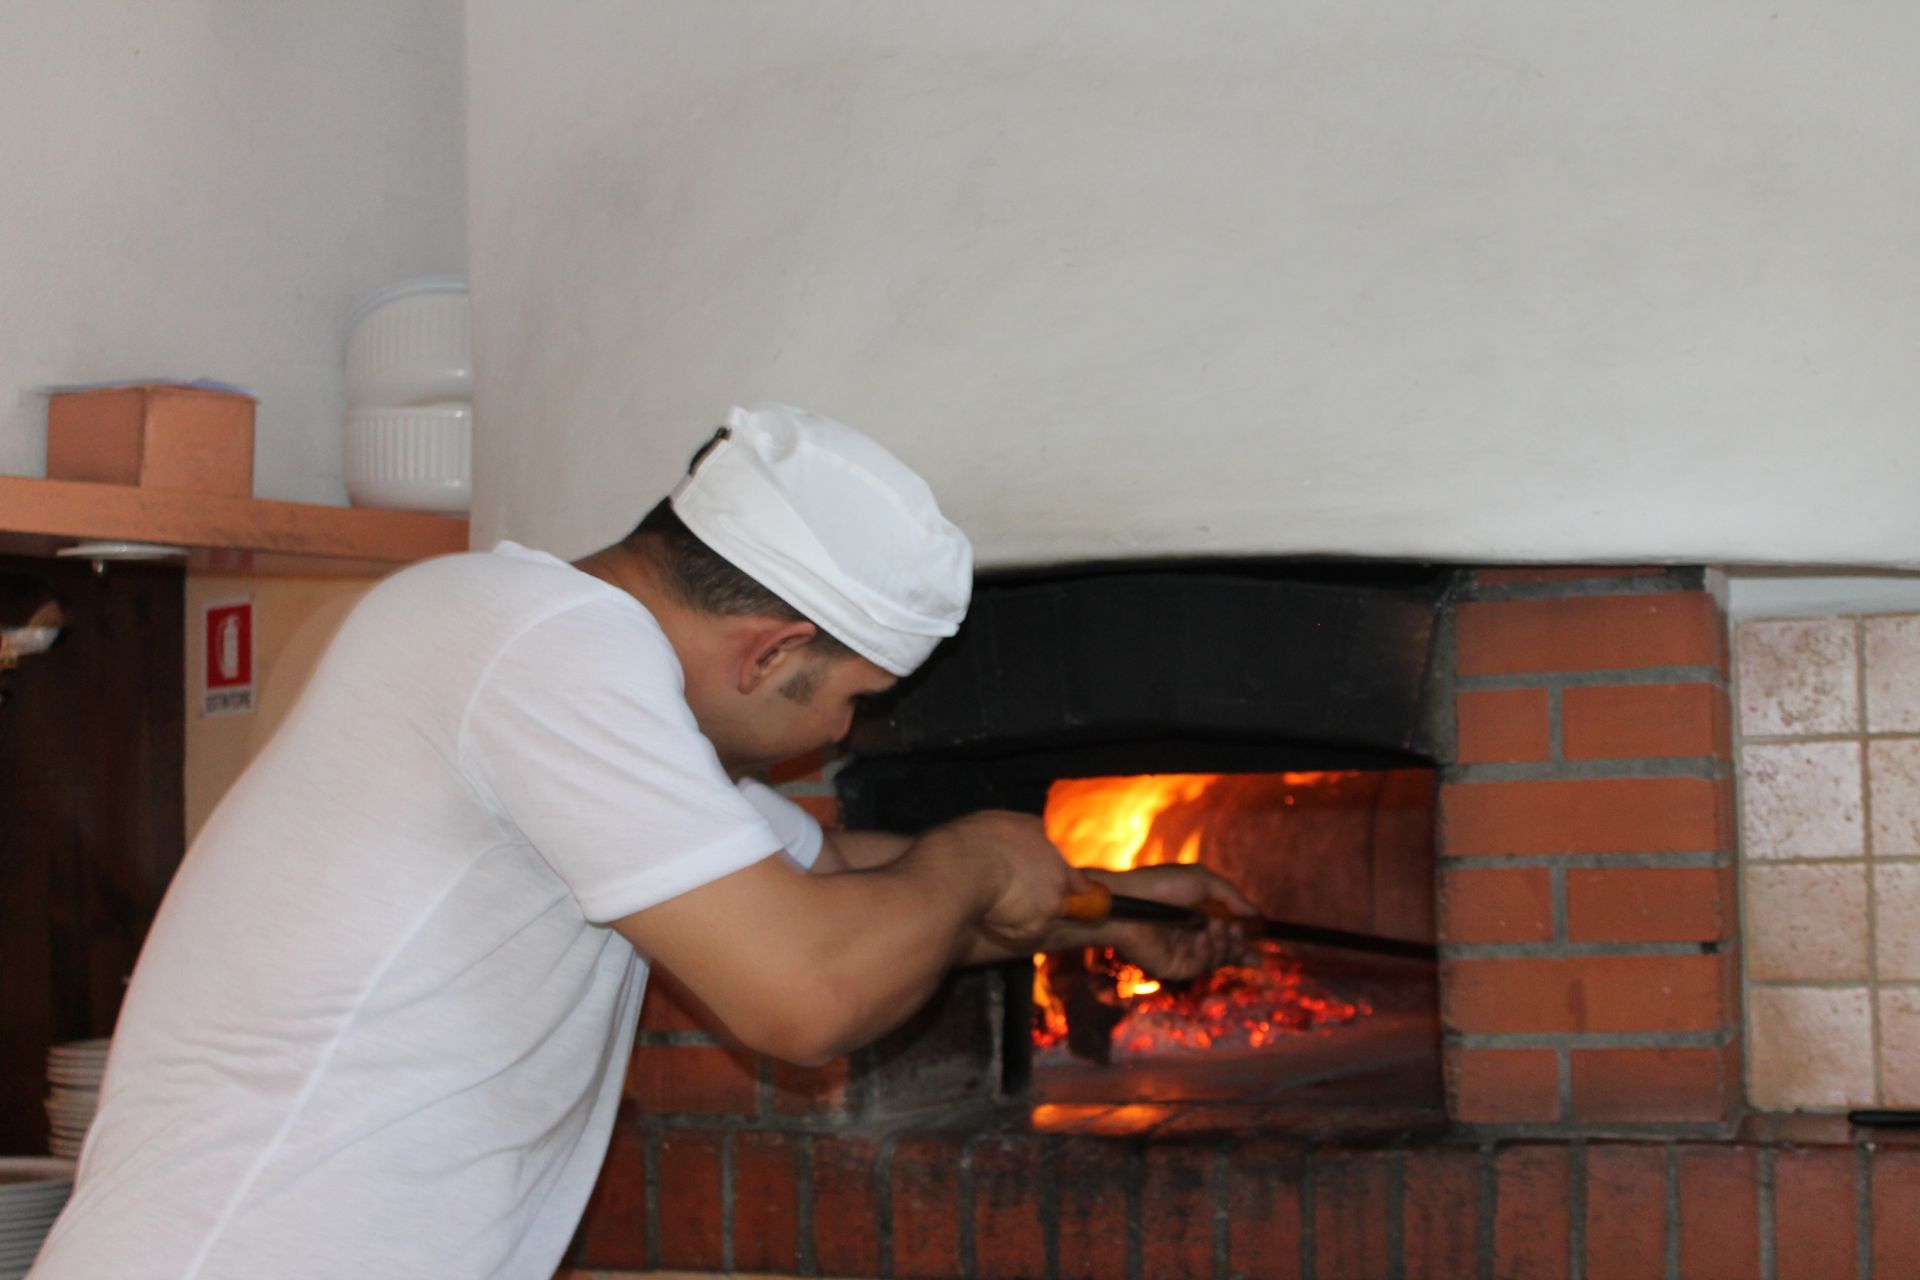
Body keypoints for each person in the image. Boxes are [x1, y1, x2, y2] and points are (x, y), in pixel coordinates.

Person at [31, 403, 1251, 1279]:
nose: (837, 733)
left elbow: (832, 882)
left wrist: (1116, 901)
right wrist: (983, 853)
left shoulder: (556, 661)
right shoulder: (536, 642)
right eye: (852, 698)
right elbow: (808, 983)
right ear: (771, 648)